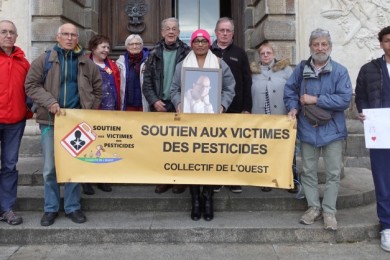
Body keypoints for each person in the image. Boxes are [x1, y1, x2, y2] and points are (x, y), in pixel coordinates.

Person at [25, 23, 102, 226]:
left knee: (73, 166)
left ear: (78, 39)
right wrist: (50, 102)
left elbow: (98, 88)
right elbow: (30, 85)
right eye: (65, 34)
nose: (69, 38)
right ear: (58, 37)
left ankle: (72, 207)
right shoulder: (45, 59)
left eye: (73, 35)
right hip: (50, 121)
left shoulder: (86, 62)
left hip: (76, 124)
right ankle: (50, 208)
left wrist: (88, 109)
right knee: (50, 168)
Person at [284, 28, 352, 231]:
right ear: (310, 46)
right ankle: (313, 207)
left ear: (330, 47)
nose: (320, 48)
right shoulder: (300, 69)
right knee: (308, 171)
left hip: (332, 130)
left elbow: (345, 99)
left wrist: (317, 99)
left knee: (332, 173)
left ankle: (329, 211)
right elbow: (290, 90)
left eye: (324, 44)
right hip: (307, 128)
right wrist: (293, 107)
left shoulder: (340, 71)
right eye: (316, 44)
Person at [171, 29, 235, 221]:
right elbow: (174, 89)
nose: (200, 44)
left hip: (211, 122)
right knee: (191, 159)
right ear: (191, 44)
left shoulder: (219, 63)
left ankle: (207, 197)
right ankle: (195, 198)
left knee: (208, 159)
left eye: (204, 41)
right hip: (189, 122)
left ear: (209, 43)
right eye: (196, 41)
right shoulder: (182, 65)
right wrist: (178, 103)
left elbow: (229, 88)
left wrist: (222, 104)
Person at [142, 17, 190, 194]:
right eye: (167, 29)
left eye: (174, 29)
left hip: (180, 106)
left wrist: (184, 103)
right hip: (160, 105)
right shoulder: (153, 53)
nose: (171, 32)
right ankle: (164, 179)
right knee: (161, 146)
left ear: (178, 32)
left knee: (180, 146)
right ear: (162, 32)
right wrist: (154, 101)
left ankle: (179, 180)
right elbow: (146, 82)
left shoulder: (188, 52)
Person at [355, 26, 390, 252]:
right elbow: (360, 95)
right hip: (381, 133)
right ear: (380, 43)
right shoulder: (369, 69)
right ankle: (387, 226)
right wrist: (362, 112)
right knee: (383, 179)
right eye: (387, 40)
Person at [211, 17, 252, 194]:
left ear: (233, 34)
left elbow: (246, 82)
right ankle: (217, 179)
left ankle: (234, 179)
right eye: (222, 30)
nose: (225, 33)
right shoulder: (207, 51)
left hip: (235, 107)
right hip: (211, 108)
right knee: (215, 146)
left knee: (233, 145)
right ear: (216, 32)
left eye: (228, 31)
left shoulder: (240, 53)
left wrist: (247, 107)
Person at [250, 41, 297, 193]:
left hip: (281, 114)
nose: (265, 56)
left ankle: (291, 178)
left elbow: (293, 89)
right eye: (262, 53)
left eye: (268, 53)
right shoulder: (253, 71)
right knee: (264, 147)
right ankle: (266, 179)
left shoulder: (285, 70)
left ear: (274, 54)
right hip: (261, 115)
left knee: (286, 147)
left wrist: (293, 108)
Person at [80, 34, 121, 195]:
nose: (106, 50)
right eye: (103, 47)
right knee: (89, 147)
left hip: (110, 111)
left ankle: (102, 177)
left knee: (104, 147)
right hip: (92, 112)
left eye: (108, 47)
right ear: (94, 48)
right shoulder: (85, 64)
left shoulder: (111, 64)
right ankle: (86, 180)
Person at [0, 20, 30, 225]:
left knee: (9, 165)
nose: (8, 35)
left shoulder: (23, 62)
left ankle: (6, 208)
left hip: (15, 122)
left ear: (17, 37)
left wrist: (29, 110)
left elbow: (30, 89)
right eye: (4, 32)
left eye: (11, 32)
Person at [116, 34, 149, 112]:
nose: (134, 46)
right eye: (131, 44)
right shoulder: (120, 63)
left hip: (144, 104)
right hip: (127, 104)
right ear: (127, 47)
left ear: (142, 46)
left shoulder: (149, 61)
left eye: (137, 44)